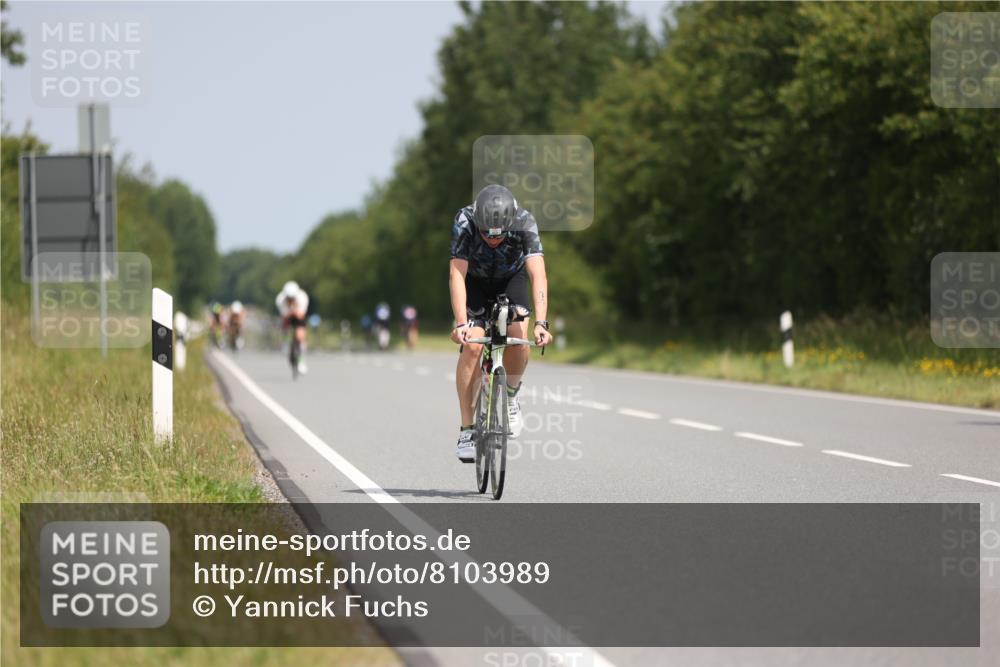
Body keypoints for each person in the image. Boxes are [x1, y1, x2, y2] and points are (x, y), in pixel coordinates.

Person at [449, 184, 553, 462]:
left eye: (499, 235)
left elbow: (538, 275)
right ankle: (467, 428)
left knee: (519, 337)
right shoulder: (465, 221)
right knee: (471, 345)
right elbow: (457, 274)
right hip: (476, 282)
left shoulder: (523, 221)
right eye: (486, 235)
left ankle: (510, 396)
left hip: (512, 278)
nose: (493, 240)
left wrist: (542, 322)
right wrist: (461, 323)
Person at [275, 281, 310, 374]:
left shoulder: (302, 297)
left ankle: (301, 361)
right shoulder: (280, 299)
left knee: (300, 335)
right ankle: (285, 342)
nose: (290, 300)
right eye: (288, 298)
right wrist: (290, 312)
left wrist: (293, 311)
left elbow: (301, 315)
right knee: (284, 325)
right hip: (287, 317)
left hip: (299, 316)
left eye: (292, 298)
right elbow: (284, 316)